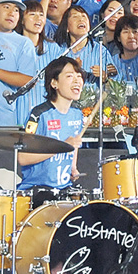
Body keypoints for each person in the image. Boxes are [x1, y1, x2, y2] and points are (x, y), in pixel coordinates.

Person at [19, 56, 87, 191]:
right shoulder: (38, 114)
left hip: (64, 188)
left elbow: (73, 146)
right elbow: (23, 158)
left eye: (79, 76)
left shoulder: (77, 115)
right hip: (37, 189)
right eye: (69, 76)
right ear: (54, 83)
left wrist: (73, 168)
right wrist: (61, 147)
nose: (77, 81)